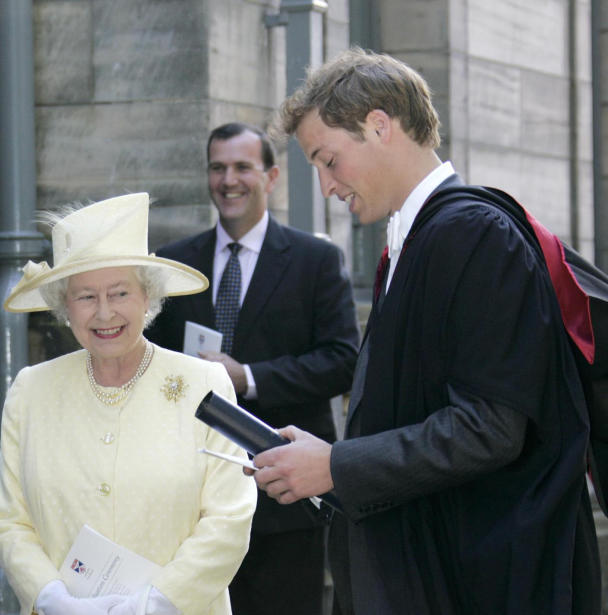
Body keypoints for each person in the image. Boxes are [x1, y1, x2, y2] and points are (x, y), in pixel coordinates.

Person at [250, 47, 601, 614]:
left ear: (380, 125)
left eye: (328, 160)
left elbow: (490, 427)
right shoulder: (426, 237)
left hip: (476, 582)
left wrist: (336, 465)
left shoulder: (473, 234)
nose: (327, 188)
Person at [0, 193, 256, 615]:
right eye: (86, 297)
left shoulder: (204, 383)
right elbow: (7, 521)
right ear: (64, 307)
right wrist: (54, 600)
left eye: (120, 292)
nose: (105, 313)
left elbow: (230, 519)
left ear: (148, 298)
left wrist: (154, 605)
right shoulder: (31, 391)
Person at [145, 122, 360, 615]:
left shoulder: (316, 260)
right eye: (217, 168)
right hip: (192, 500)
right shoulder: (174, 266)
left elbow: (343, 360)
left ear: (272, 175)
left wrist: (248, 377)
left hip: (284, 498)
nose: (229, 180)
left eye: (243, 167)